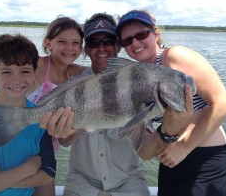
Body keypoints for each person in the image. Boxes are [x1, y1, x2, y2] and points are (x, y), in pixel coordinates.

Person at [0, 15, 84, 195]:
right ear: (48, 43)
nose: (69, 48)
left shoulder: (82, 75)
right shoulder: (35, 65)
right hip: (17, 135)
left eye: (76, 42)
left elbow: (64, 143)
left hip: (42, 145)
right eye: (62, 41)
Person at [115, 9, 226, 196]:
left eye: (141, 34)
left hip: (205, 162)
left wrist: (184, 147)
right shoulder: (135, 78)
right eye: (127, 40)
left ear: (155, 33)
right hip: (171, 164)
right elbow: (144, 151)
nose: (135, 43)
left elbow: (223, 104)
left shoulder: (174, 56)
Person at [42, 12, 150, 196]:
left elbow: (147, 145)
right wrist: (67, 129)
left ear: (117, 45)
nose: (101, 48)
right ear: (86, 49)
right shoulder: (75, 84)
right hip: (81, 182)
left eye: (108, 41)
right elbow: (65, 141)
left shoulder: (139, 81)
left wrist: (171, 135)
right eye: (93, 42)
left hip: (129, 181)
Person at [0, 33, 57, 196]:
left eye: (25, 71)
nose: (17, 79)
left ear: (34, 73)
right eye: (6, 72)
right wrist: (27, 169)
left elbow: (48, 174)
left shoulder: (41, 115)